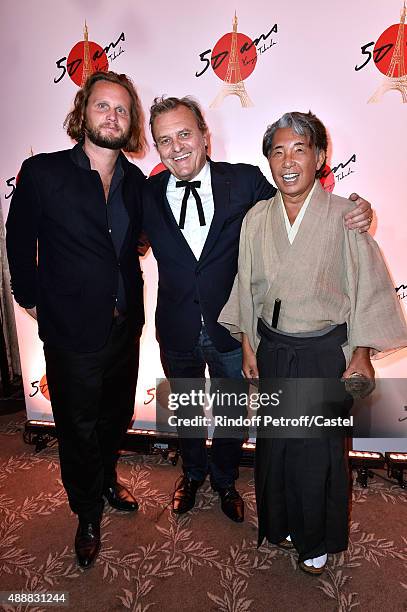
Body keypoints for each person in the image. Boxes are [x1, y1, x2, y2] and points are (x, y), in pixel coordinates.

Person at [143, 96, 373, 524]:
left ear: (205, 136)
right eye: (164, 140)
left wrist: (358, 210)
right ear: (156, 148)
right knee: (188, 409)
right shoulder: (145, 193)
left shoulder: (245, 181)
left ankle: (226, 479)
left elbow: (300, 204)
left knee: (231, 409)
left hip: (232, 326)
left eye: (185, 134)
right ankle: (191, 474)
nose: (176, 147)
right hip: (175, 325)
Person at [219, 111, 407, 573]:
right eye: (277, 150)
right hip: (273, 349)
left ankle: (316, 538)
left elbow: (365, 286)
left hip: (323, 354)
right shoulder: (256, 218)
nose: (288, 160)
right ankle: (281, 521)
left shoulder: (345, 214)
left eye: (299, 149)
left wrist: (360, 354)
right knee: (276, 445)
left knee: (318, 451)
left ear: (320, 157)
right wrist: (247, 346)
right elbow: (247, 288)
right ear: (268, 159)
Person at [6, 71, 146, 569]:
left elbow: (142, 241)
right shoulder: (42, 173)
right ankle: (86, 512)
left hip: (123, 326)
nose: (112, 116)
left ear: (132, 123)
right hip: (70, 332)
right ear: (83, 112)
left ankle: (106, 479)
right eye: (103, 106)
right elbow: (18, 239)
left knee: (115, 415)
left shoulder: (135, 182)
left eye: (122, 110)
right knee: (76, 425)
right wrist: (31, 297)